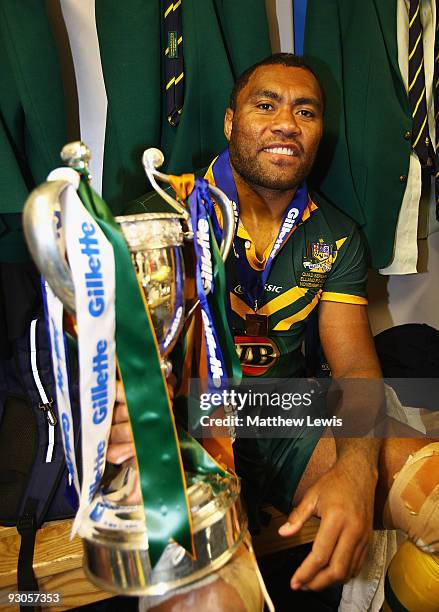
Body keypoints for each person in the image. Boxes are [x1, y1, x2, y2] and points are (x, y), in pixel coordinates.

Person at [109, 54, 439, 609]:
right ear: (230, 122)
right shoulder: (156, 218)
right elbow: (131, 371)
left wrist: (358, 471)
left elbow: (356, 367)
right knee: (206, 597)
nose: (287, 122)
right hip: (186, 420)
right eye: (267, 105)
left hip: (283, 409)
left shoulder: (336, 234)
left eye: (305, 111)